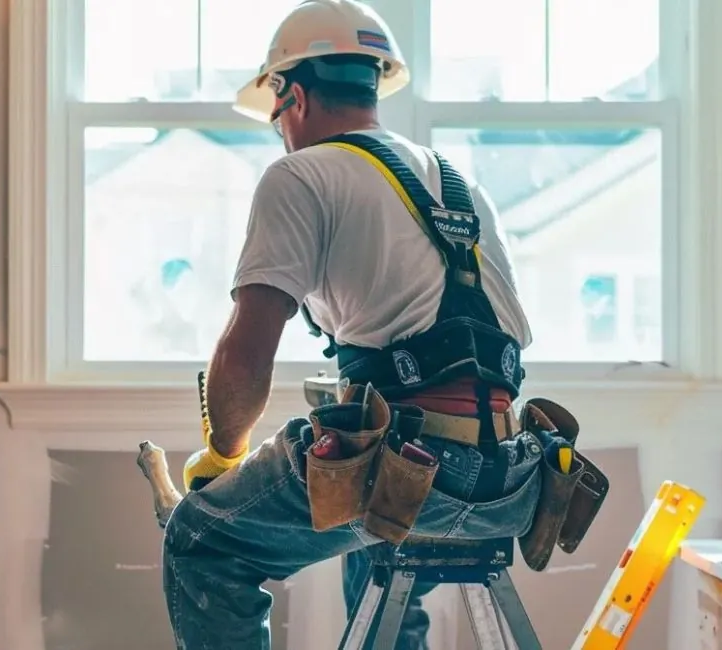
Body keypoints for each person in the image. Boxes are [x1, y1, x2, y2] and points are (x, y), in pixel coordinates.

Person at [160, 1, 593, 647]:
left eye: (276, 115)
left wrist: (223, 456)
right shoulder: (460, 188)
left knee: (201, 539)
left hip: (417, 468)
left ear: (292, 95)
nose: (278, 131)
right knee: (377, 532)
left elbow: (248, 353)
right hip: (509, 480)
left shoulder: (299, 174)